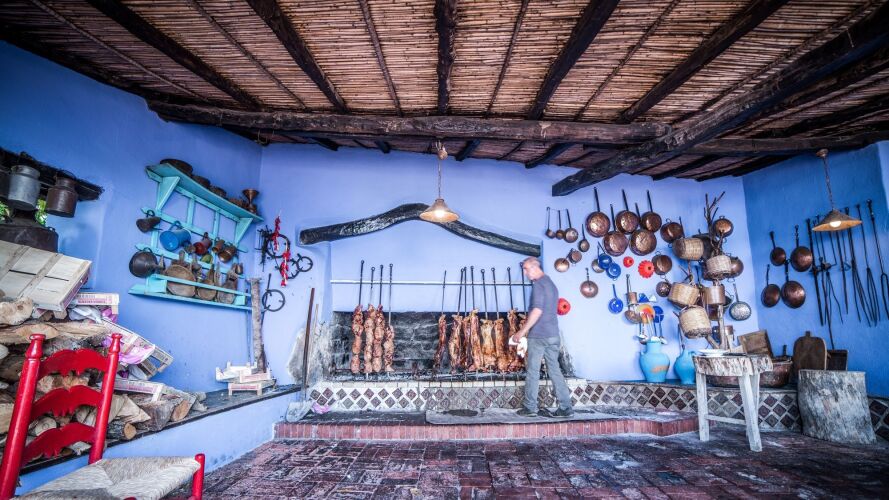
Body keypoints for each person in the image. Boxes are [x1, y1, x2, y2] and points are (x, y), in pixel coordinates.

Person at [511, 256, 574, 418]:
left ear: (534, 267)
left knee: (533, 371)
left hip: (539, 336)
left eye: (526, 269)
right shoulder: (551, 284)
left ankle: (530, 407)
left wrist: (522, 332)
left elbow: (537, 311)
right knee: (555, 370)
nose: (525, 273)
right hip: (553, 335)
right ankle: (566, 407)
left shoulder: (539, 284)